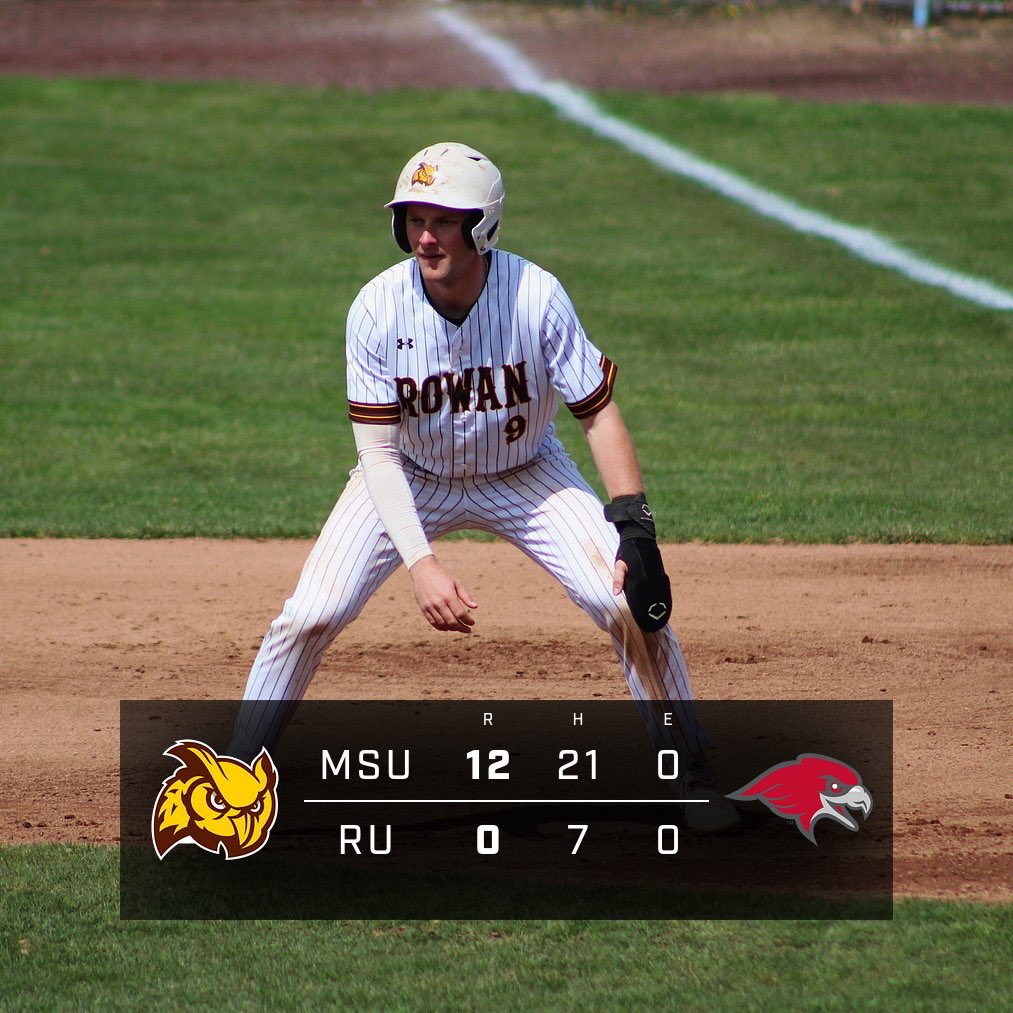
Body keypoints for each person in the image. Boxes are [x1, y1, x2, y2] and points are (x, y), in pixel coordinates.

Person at [232, 142, 739, 833]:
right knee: (310, 612)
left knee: (623, 600)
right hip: (409, 476)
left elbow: (596, 412)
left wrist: (635, 527)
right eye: (413, 219)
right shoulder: (377, 308)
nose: (425, 236)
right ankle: (232, 785)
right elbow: (377, 456)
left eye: (444, 220)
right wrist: (422, 562)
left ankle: (690, 775)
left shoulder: (536, 296)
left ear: (484, 226)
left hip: (527, 474)